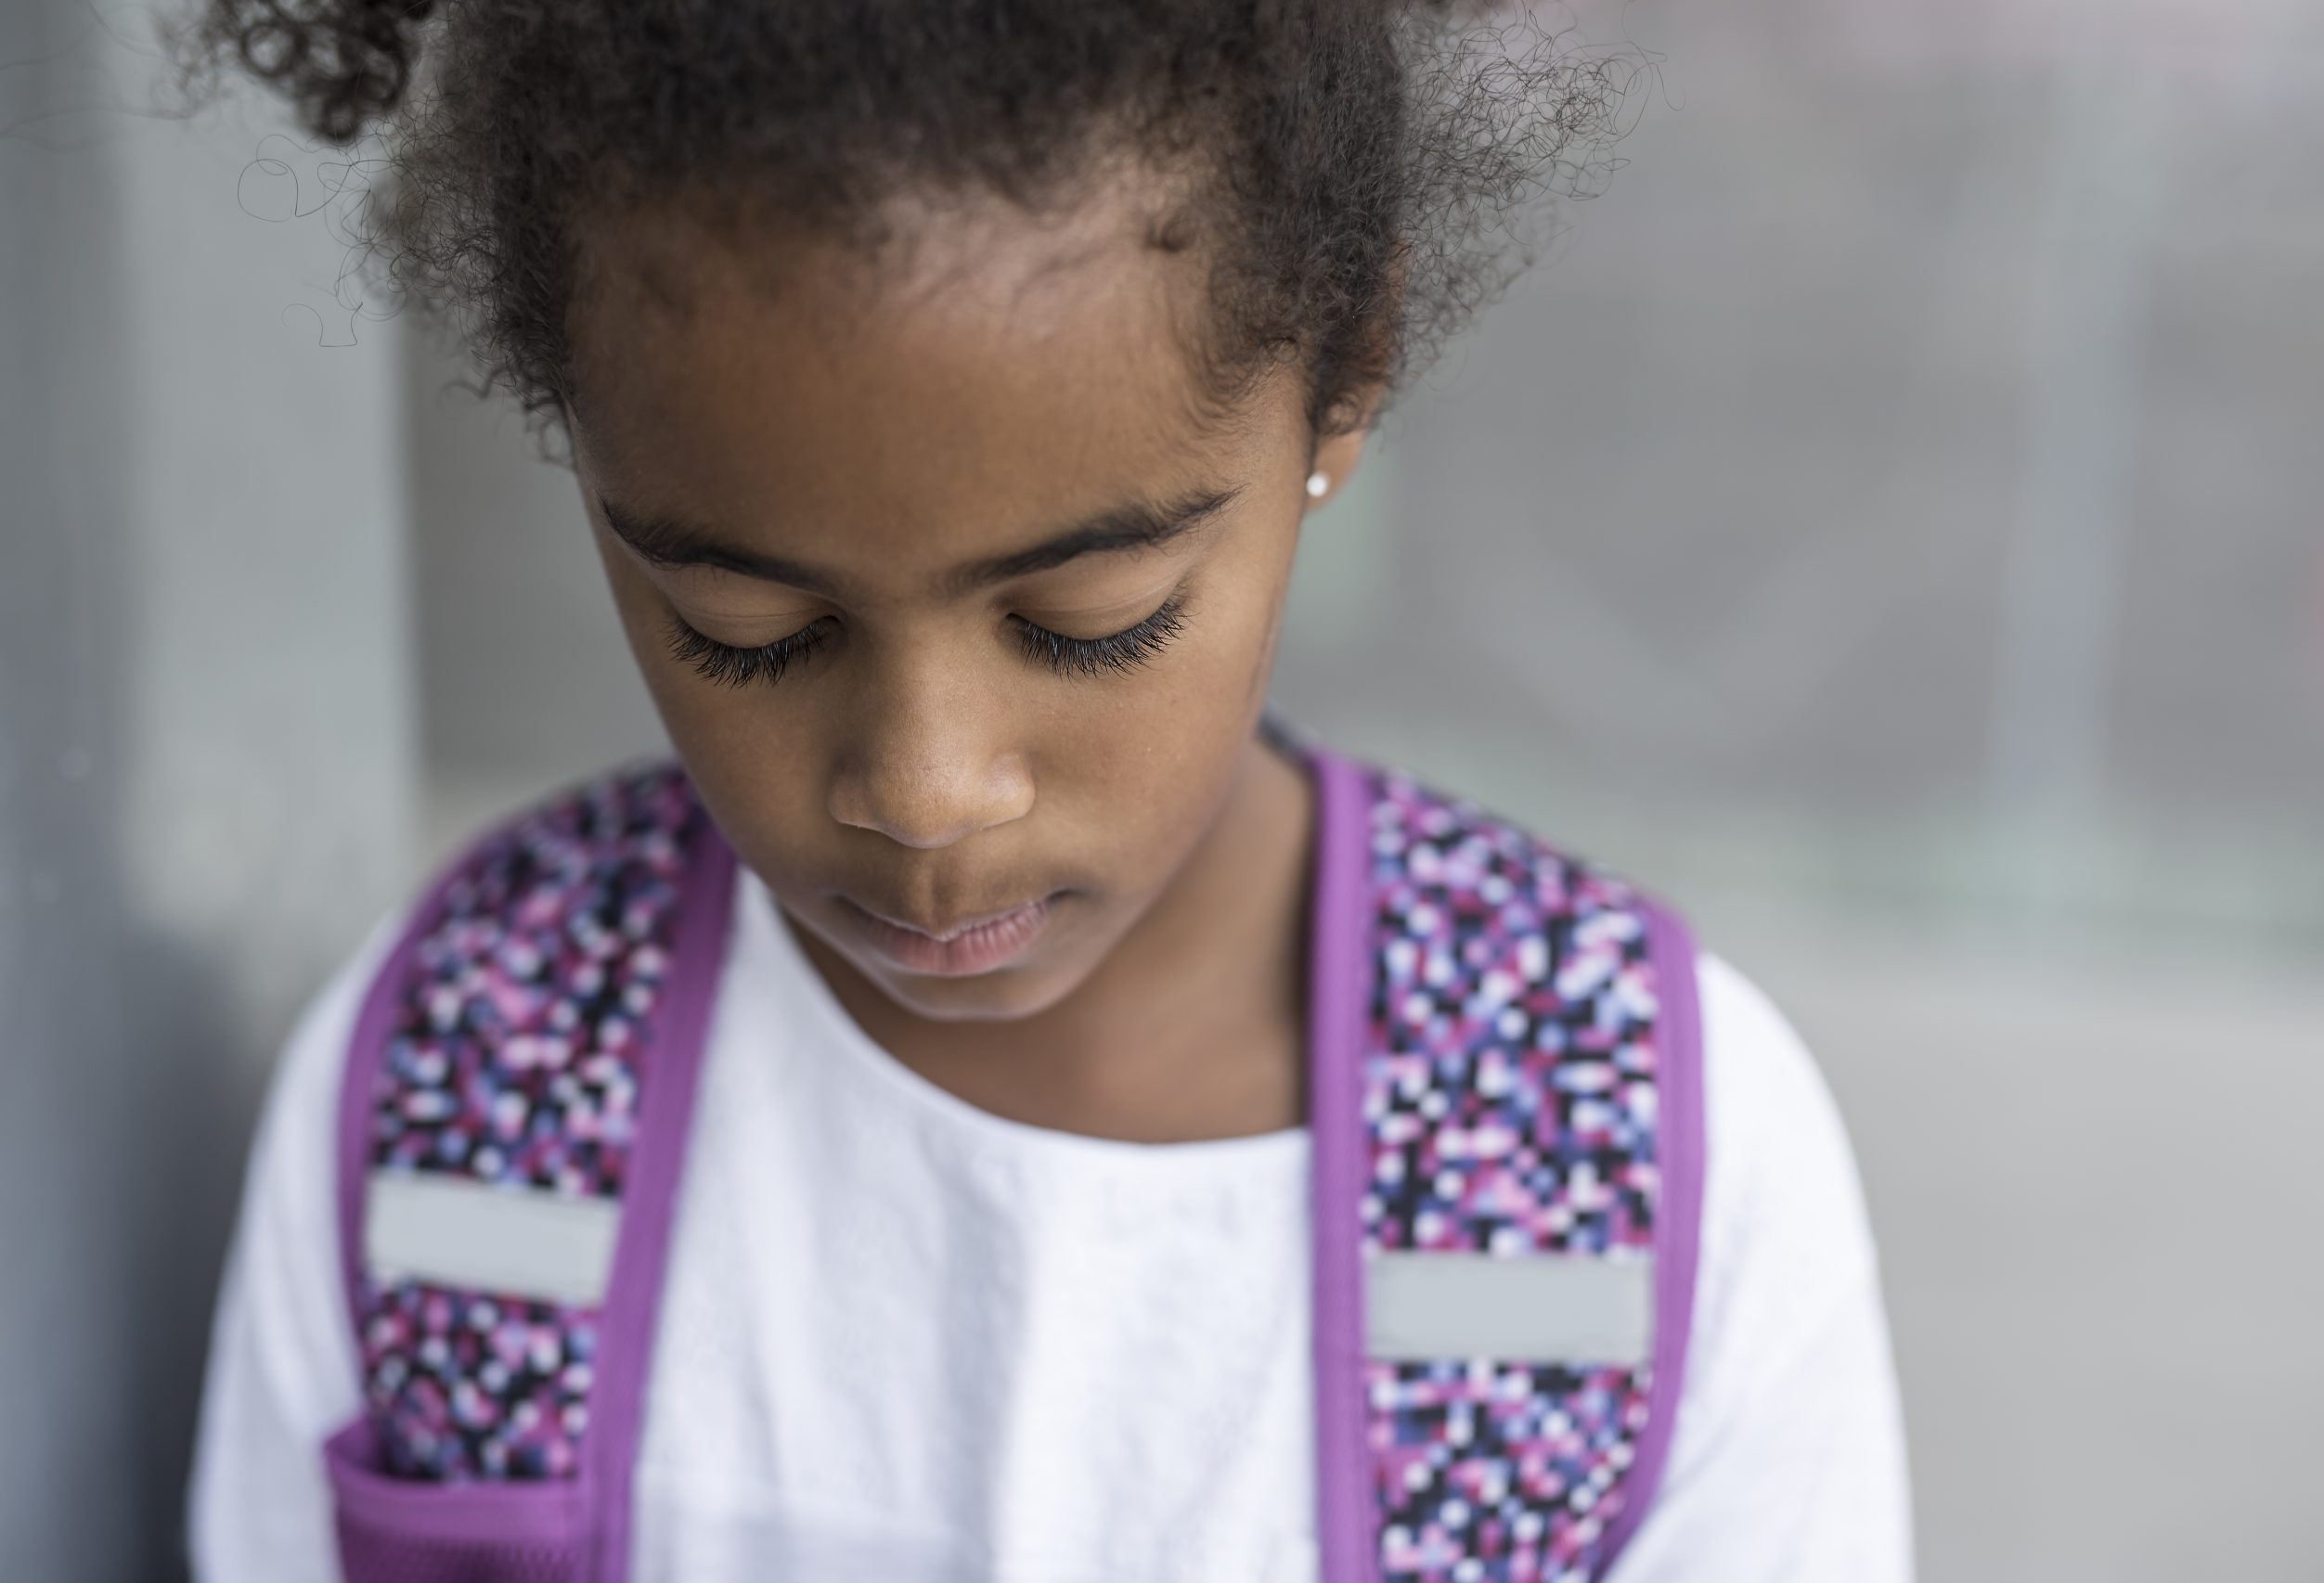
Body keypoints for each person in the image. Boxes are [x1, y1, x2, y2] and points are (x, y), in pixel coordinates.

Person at [178, 2, 1912, 1578]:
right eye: (746, 629)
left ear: (1345, 365)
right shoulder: (458, 1080)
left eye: (1092, 621)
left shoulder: (1628, 1162)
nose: (929, 795)